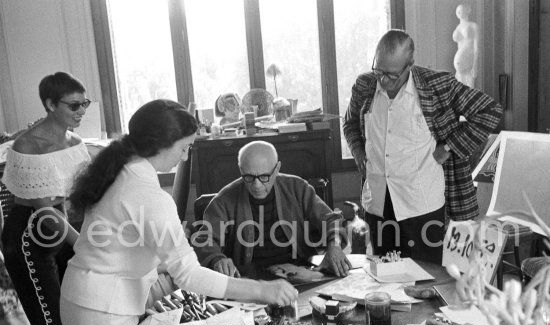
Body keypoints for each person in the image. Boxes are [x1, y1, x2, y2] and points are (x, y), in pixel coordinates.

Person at [60, 99, 297, 325]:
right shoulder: (147, 193)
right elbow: (188, 275)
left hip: (88, 298)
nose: (184, 157)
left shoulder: (120, 170)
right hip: (102, 310)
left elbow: (124, 243)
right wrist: (261, 291)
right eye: (184, 148)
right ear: (160, 144)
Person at [342, 29, 502, 264]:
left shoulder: (437, 85)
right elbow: (349, 123)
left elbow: (490, 111)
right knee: (382, 279)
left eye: (391, 75)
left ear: (410, 66)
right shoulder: (365, 85)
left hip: (421, 205)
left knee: (425, 281)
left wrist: (449, 147)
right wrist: (358, 153)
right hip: (377, 202)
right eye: (378, 71)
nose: (383, 80)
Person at [0, 72, 92, 325]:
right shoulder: (27, 146)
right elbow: (44, 211)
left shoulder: (75, 141)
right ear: (51, 104)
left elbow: (80, 196)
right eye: (74, 105)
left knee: (80, 309)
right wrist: (83, 244)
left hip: (59, 226)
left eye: (85, 103)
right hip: (28, 237)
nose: (81, 112)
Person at [192, 141, 352, 278]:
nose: (256, 185)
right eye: (248, 177)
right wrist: (216, 259)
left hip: (299, 273)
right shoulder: (224, 200)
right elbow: (204, 239)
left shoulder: (297, 188)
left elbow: (331, 220)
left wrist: (335, 245)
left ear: (277, 169)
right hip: (251, 280)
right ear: (240, 170)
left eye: (264, 177)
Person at [452, 4, 479, 88]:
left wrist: (475, 66)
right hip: (459, 66)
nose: (459, 12)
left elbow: (476, 48)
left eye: (461, 10)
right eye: (457, 10)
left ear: (468, 10)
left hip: (469, 62)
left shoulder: (473, 26)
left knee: (469, 93)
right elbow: (459, 46)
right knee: (460, 94)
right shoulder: (458, 27)